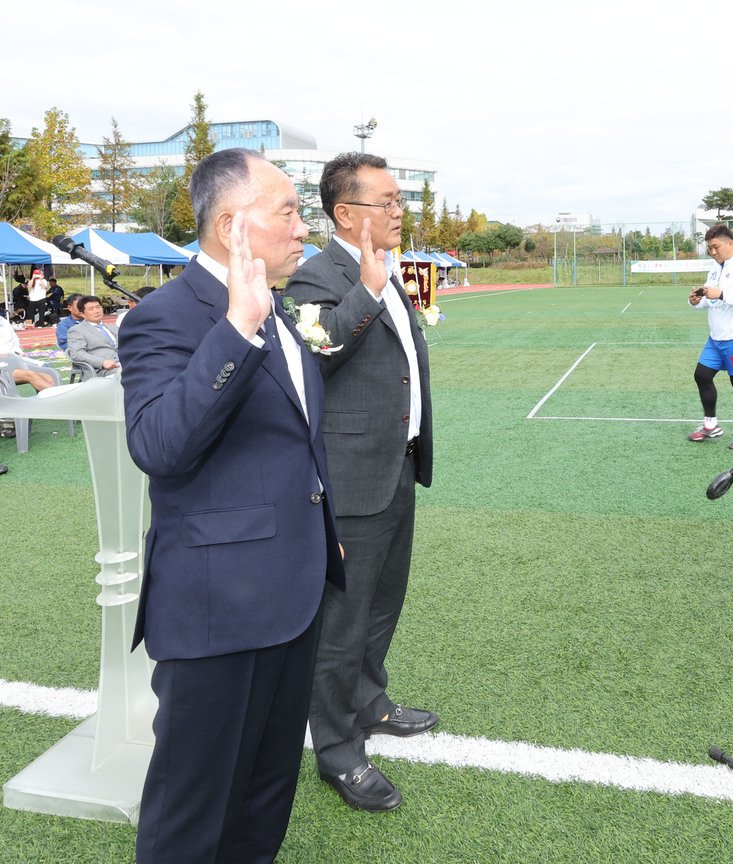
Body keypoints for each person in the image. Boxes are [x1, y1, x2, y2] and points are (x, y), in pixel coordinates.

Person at [118, 148, 345, 863]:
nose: (302, 226)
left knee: (263, 794)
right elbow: (158, 445)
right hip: (218, 609)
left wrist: (323, 526)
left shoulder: (280, 310)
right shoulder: (167, 317)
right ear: (230, 224)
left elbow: (293, 438)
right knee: (191, 816)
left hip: (293, 592)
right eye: (287, 210)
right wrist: (236, 329)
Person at [284, 151, 437, 813]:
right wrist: (370, 293)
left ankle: (370, 702)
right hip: (350, 479)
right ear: (346, 212)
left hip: (395, 466)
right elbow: (319, 353)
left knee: (381, 605)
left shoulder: (386, 269)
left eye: (400, 200)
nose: (400, 211)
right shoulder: (315, 275)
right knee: (342, 625)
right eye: (387, 201)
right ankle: (339, 753)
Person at [687, 224, 733, 450]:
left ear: (730, 243)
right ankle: (711, 425)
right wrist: (696, 301)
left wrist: (721, 294)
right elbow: (711, 300)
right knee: (702, 375)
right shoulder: (714, 270)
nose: (712, 252)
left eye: (715, 247)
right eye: (709, 248)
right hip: (716, 338)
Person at [66, 295, 121, 378]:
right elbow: (76, 353)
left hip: (124, 363)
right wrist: (102, 362)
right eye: (91, 309)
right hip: (101, 370)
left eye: (98, 307)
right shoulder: (77, 330)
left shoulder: (113, 328)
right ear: (82, 314)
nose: (96, 311)